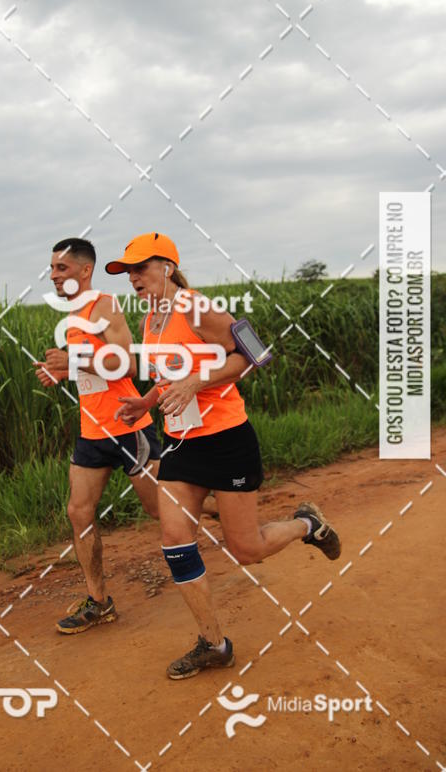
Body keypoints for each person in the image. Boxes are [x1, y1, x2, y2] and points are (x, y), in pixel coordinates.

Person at [106, 232, 342, 679]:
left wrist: (199, 383)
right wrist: (148, 400)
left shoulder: (196, 308)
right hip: (180, 441)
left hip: (227, 439)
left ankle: (308, 523)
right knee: (174, 537)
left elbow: (254, 356)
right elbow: (171, 374)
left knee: (247, 548)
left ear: (167, 268)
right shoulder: (150, 320)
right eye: (128, 271)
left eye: (140, 267)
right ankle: (214, 643)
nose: (133, 277)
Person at [34, 237, 161, 634]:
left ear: (84, 271)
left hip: (127, 425)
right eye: (52, 269)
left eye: (62, 268)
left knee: (162, 509)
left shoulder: (103, 304)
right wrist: (64, 372)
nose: (54, 275)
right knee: (78, 511)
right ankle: (99, 601)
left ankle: (231, 514)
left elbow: (124, 358)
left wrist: (72, 360)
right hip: (92, 431)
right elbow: (93, 368)